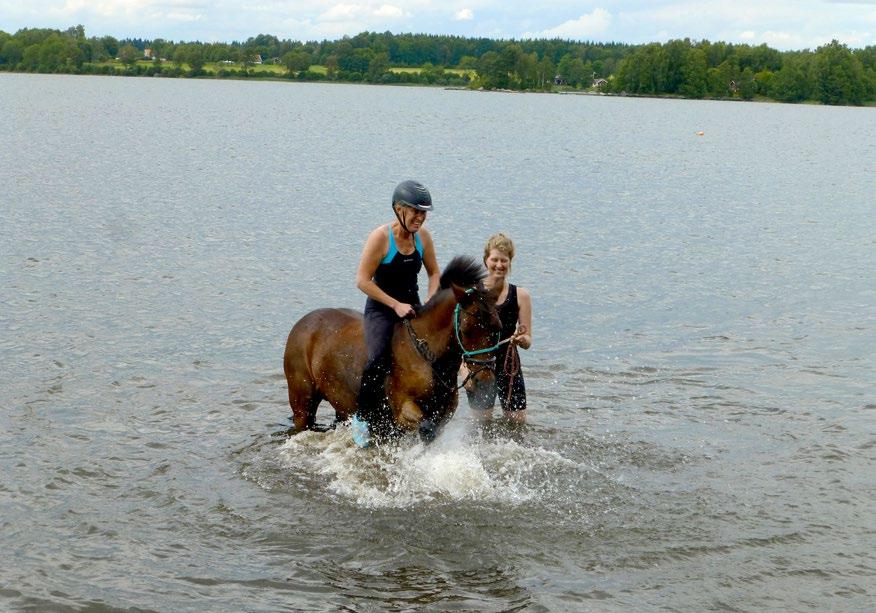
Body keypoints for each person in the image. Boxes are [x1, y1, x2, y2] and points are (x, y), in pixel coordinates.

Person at [352, 180, 440, 446]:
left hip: (413, 305)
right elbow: (362, 281)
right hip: (382, 308)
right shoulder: (380, 237)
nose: (420, 217)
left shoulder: (423, 237)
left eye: (424, 212)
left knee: (437, 355)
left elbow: (434, 272)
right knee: (377, 358)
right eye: (415, 211)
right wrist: (394, 305)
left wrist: (431, 299)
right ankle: (362, 417)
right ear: (398, 209)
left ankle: (434, 415)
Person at [466, 233, 532, 424]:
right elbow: (458, 340)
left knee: (517, 424)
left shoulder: (521, 295)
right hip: (478, 366)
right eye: (494, 259)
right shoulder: (472, 293)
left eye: (504, 260)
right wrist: (463, 370)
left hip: (508, 365)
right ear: (486, 260)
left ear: (510, 262)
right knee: (481, 426)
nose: (499, 265)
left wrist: (521, 339)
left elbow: (528, 340)